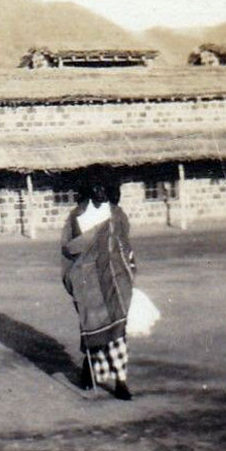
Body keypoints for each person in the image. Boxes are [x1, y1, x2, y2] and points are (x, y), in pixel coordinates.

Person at [60, 171, 136, 400]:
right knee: (93, 325)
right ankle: (90, 366)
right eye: (95, 187)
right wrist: (74, 278)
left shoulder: (117, 214)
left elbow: (125, 244)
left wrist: (128, 269)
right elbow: (68, 249)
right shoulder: (77, 217)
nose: (100, 191)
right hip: (88, 281)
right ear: (88, 189)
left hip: (113, 276)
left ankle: (120, 380)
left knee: (118, 328)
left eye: (104, 187)